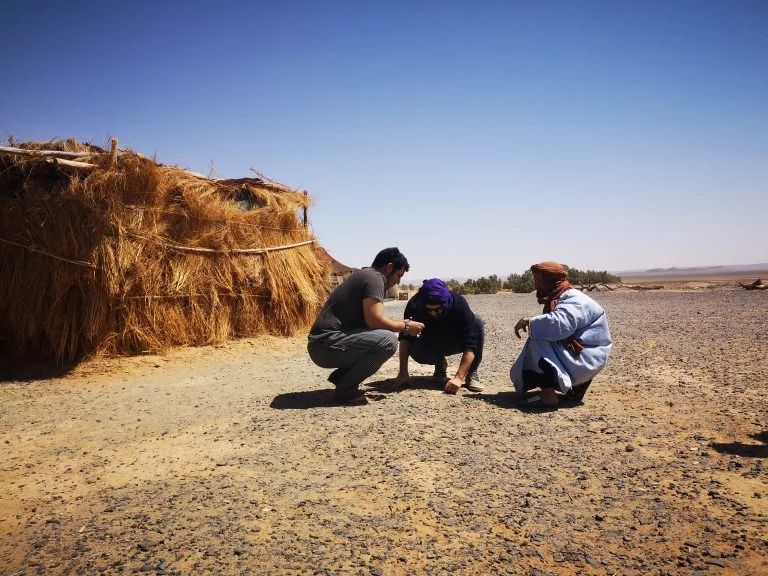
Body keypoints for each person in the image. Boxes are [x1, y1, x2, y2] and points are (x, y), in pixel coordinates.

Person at [308, 247, 425, 405]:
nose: (398, 281)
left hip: (322, 344)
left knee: (381, 335)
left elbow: (373, 321)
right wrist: (405, 327)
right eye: (398, 275)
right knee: (388, 341)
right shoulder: (375, 278)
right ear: (389, 267)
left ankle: (343, 378)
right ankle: (346, 390)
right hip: (324, 345)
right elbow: (375, 320)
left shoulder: (365, 275)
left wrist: (402, 324)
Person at [510, 261, 612, 410]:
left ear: (551, 280)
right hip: (587, 356)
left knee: (538, 340)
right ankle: (575, 389)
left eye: (539, 281)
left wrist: (529, 322)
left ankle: (548, 397)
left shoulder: (575, 299)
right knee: (543, 334)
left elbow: (560, 325)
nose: (536, 285)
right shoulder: (563, 297)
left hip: (587, 357)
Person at [394, 278, 485, 394]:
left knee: (477, 322)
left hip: (455, 340)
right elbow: (405, 337)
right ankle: (440, 364)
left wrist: (458, 377)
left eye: (438, 309)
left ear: (445, 302)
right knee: (415, 349)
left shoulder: (458, 303)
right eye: (429, 310)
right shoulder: (414, 305)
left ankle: (472, 373)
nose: (433, 313)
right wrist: (403, 373)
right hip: (432, 342)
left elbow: (471, 344)